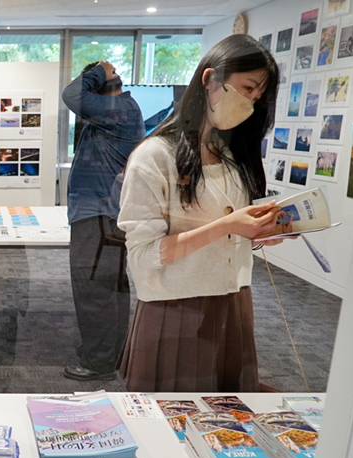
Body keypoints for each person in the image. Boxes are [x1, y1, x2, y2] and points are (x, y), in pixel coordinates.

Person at [117, 34, 285, 393]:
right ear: (211, 79)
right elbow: (144, 256)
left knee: (225, 424)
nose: (250, 103)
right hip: (176, 309)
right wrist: (226, 225)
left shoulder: (232, 156)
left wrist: (257, 230)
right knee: (170, 426)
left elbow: (230, 234)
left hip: (233, 301)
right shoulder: (155, 156)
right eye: (247, 89)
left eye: (258, 98)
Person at [61, 60, 145, 381]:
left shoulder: (119, 109)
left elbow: (72, 95)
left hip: (98, 215)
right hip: (99, 214)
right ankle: (110, 353)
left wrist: (100, 71)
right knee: (108, 286)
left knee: (94, 288)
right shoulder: (120, 109)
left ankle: (99, 362)